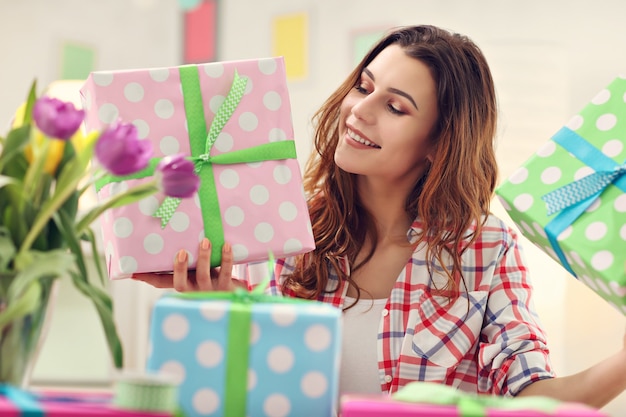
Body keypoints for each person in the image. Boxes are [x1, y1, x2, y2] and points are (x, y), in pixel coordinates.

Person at [133, 24, 626, 408]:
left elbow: (532, 400)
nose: (359, 111)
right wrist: (222, 316)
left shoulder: (485, 250)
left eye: (395, 107)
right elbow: (242, 397)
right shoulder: (283, 232)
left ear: (438, 142)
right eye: (363, 87)